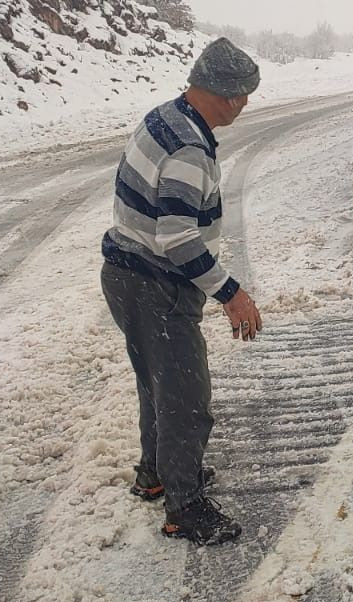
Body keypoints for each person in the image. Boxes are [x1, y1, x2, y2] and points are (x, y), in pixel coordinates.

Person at [101, 37, 262, 545]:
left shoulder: (164, 117)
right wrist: (230, 292)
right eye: (244, 95)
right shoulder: (190, 148)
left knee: (157, 383)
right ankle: (185, 508)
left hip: (125, 273)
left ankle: (157, 474)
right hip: (156, 286)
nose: (245, 104)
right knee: (187, 399)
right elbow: (177, 238)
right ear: (227, 96)